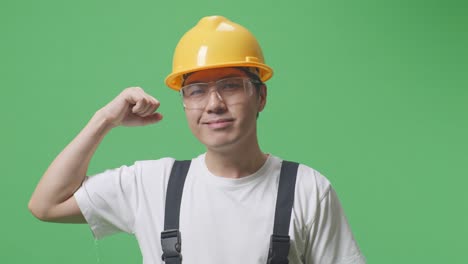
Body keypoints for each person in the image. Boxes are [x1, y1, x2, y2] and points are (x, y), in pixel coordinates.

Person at [28, 15, 366, 264]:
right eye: (197, 91)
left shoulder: (308, 189)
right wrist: (104, 120)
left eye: (231, 85)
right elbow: (46, 204)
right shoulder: (150, 184)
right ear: (185, 103)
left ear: (261, 97)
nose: (214, 104)